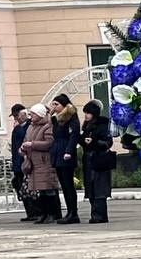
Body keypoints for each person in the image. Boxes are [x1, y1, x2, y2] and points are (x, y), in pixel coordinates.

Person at [18, 104, 60, 223]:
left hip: (44, 162)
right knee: (39, 190)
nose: (31, 116)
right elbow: (25, 140)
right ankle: (43, 213)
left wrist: (32, 145)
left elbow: (49, 143)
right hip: (33, 163)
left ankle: (52, 214)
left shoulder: (48, 126)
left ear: (40, 114)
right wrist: (23, 149)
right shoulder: (31, 127)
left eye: (33, 114)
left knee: (48, 189)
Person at [49, 93, 81, 224]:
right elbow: (55, 133)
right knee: (63, 184)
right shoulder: (58, 118)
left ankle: (73, 212)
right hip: (57, 151)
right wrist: (51, 117)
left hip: (66, 152)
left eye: (56, 104)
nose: (54, 107)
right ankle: (69, 211)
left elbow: (74, 135)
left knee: (68, 185)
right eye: (53, 104)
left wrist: (69, 151)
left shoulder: (71, 117)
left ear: (64, 105)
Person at [80, 100, 114, 224]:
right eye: (85, 113)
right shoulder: (86, 127)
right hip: (89, 159)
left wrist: (94, 141)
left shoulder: (102, 126)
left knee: (99, 187)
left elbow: (107, 143)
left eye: (88, 113)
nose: (86, 116)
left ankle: (100, 215)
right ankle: (95, 213)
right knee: (91, 187)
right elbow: (83, 140)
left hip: (99, 159)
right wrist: (83, 140)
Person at [7, 103, 33, 221]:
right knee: (21, 188)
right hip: (18, 162)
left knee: (30, 189)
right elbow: (14, 148)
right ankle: (30, 212)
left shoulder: (30, 126)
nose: (16, 118)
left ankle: (35, 211)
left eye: (17, 115)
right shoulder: (17, 128)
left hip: (27, 161)